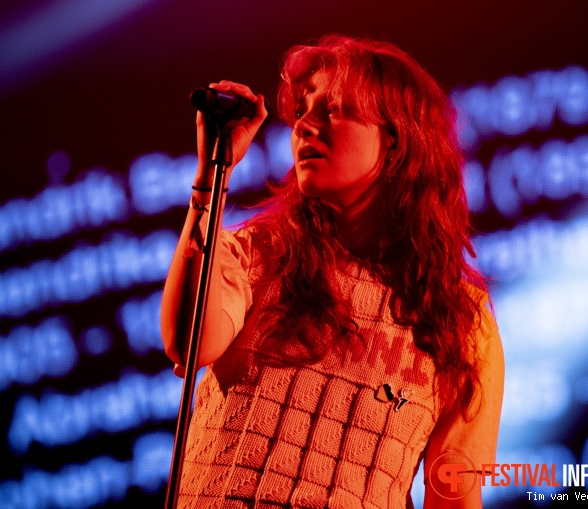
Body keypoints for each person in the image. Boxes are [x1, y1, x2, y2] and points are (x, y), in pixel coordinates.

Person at [161, 34, 504, 509]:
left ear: (396, 139)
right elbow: (188, 343)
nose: (303, 125)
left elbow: (457, 494)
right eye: (303, 109)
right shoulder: (261, 252)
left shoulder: (462, 319)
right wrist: (209, 181)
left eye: (335, 109)